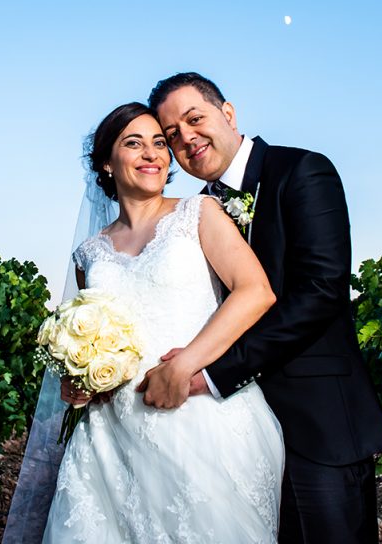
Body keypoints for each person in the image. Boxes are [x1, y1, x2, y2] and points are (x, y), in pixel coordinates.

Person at [140, 73, 382, 544]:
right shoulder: (193, 213)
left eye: (195, 119)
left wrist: (211, 374)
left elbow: (320, 292)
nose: (186, 138)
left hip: (314, 428)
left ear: (228, 114)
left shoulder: (302, 172)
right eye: (172, 135)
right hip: (228, 436)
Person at [40, 102, 285, 543]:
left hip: (199, 420)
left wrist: (185, 364)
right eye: (133, 143)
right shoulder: (89, 254)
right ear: (106, 163)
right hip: (110, 438)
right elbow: (87, 330)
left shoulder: (199, 214)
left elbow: (255, 292)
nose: (152, 153)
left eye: (159, 143)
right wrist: (76, 381)